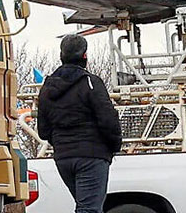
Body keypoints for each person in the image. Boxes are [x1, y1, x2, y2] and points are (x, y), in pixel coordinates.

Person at [36, 33, 122, 212]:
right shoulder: (90, 83)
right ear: (85, 56)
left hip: (63, 158)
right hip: (92, 155)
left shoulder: (48, 87)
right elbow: (108, 120)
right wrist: (113, 146)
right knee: (89, 209)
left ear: (61, 56)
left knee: (85, 207)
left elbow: (43, 131)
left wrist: (61, 143)